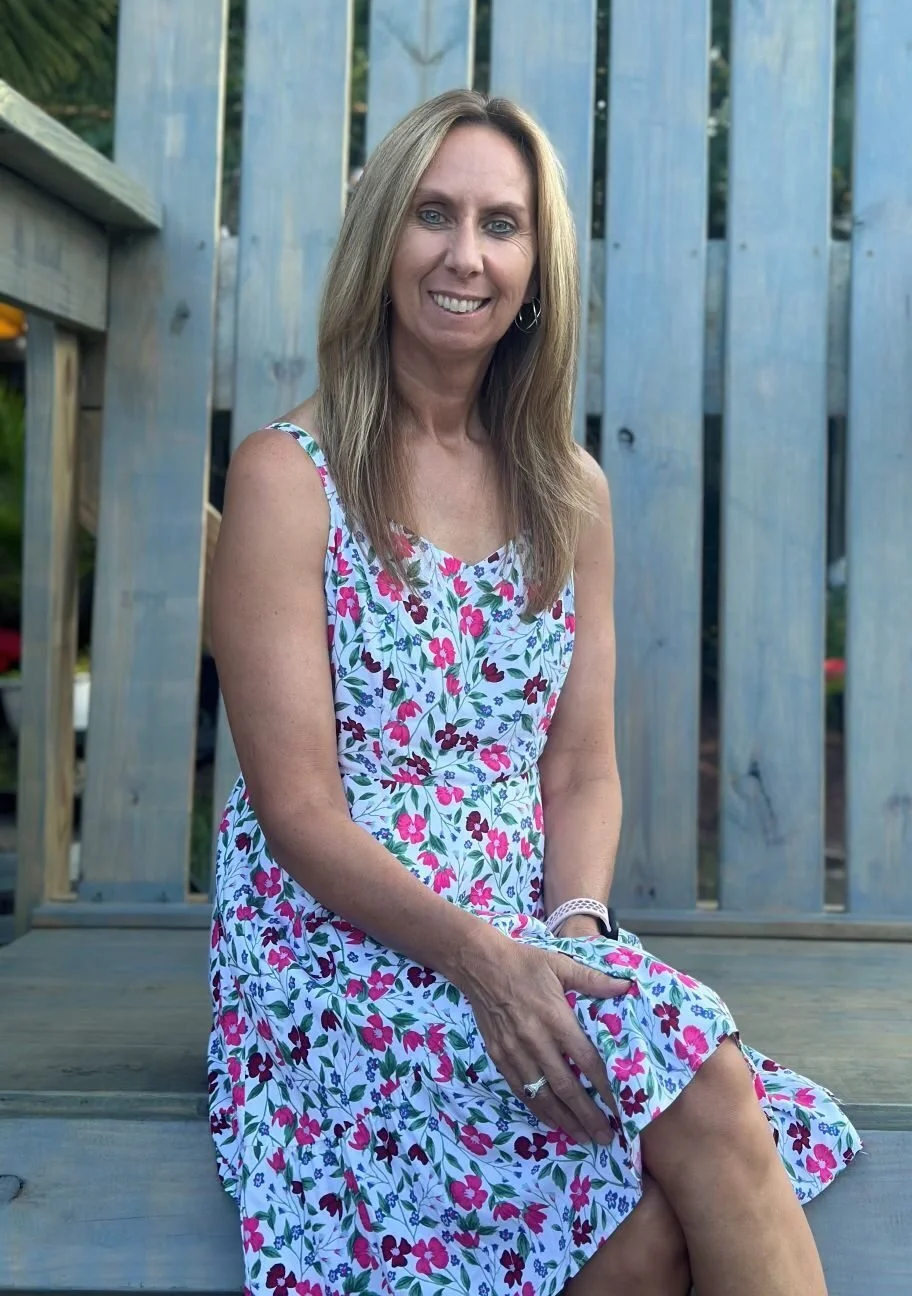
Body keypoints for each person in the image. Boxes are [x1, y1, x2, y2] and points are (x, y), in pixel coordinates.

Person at [207, 89, 859, 1296]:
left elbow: (580, 767)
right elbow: (297, 812)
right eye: (433, 216)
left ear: (537, 269)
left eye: (501, 225)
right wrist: (482, 963)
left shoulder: (569, 492)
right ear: (381, 248)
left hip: (528, 931)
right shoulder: (285, 481)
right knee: (702, 1103)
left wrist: (569, 928)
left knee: (666, 1194)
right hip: (341, 959)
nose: (466, 255)